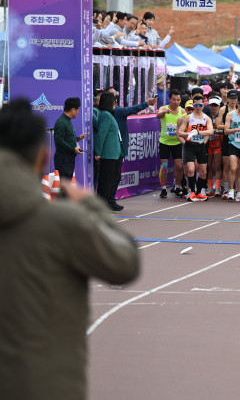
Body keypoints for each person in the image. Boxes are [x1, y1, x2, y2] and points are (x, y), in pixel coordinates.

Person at [0, 99, 140, 400]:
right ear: (42, 156)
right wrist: (93, 207)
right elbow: (126, 262)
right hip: (46, 382)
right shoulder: (61, 222)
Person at [176, 95, 214, 202]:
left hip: (201, 145)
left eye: (200, 105)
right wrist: (189, 134)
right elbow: (180, 132)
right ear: (193, 105)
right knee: (191, 169)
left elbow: (210, 131)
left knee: (203, 172)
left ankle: (199, 192)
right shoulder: (189, 118)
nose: (198, 107)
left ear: (203, 105)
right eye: (196, 105)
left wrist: (197, 132)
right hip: (190, 145)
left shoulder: (206, 118)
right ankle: (192, 192)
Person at [94, 92, 126, 211]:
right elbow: (101, 134)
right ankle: (103, 204)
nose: (115, 103)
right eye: (113, 101)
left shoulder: (107, 114)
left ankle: (107, 202)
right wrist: (99, 152)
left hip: (113, 152)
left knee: (109, 179)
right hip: (108, 153)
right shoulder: (106, 115)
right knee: (106, 180)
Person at [156, 89, 185, 198]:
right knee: (164, 166)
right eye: (173, 100)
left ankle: (177, 186)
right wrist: (165, 112)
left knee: (179, 166)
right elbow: (158, 116)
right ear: (169, 99)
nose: (176, 102)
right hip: (165, 142)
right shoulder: (164, 108)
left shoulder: (182, 111)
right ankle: (163, 188)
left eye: (178, 100)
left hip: (177, 142)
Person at [53, 97, 87, 181]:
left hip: (68, 158)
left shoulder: (67, 121)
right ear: (73, 110)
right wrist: (73, 149)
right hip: (63, 159)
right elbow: (59, 140)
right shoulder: (62, 122)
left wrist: (78, 138)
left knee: (67, 182)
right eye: (78, 110)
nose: (78, 112)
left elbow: (67, 138)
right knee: (64, 184)